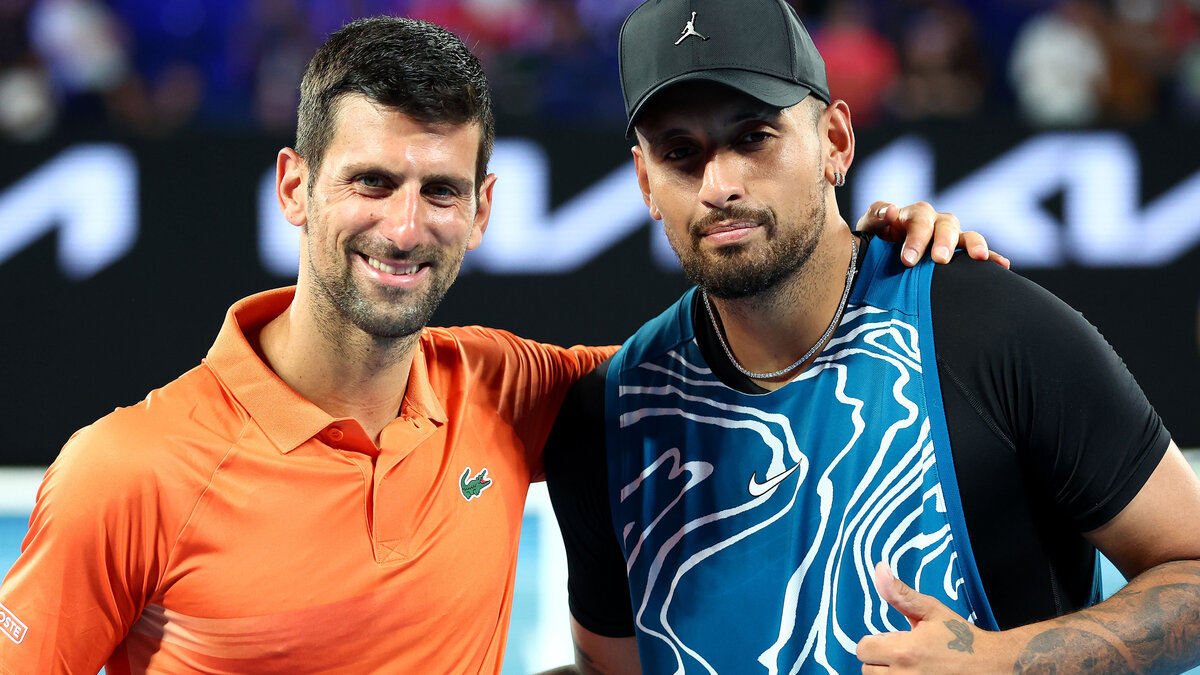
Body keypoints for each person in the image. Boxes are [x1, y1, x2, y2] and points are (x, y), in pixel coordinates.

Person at [0, 14, 986, 674]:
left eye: (440, 191)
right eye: (372, 182)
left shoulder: (504, 388)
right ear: (295, 187)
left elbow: (743, 358)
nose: (404, 227)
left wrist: (872, 261)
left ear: (482, 211)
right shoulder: (124, 471)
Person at [543, 0, 1200, 673]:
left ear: (835, 141)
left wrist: (1004, 663)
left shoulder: (990, 331)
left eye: (753, 137)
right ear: (646, 182)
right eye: (681, 153)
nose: (720, 185)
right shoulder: (609, 418)